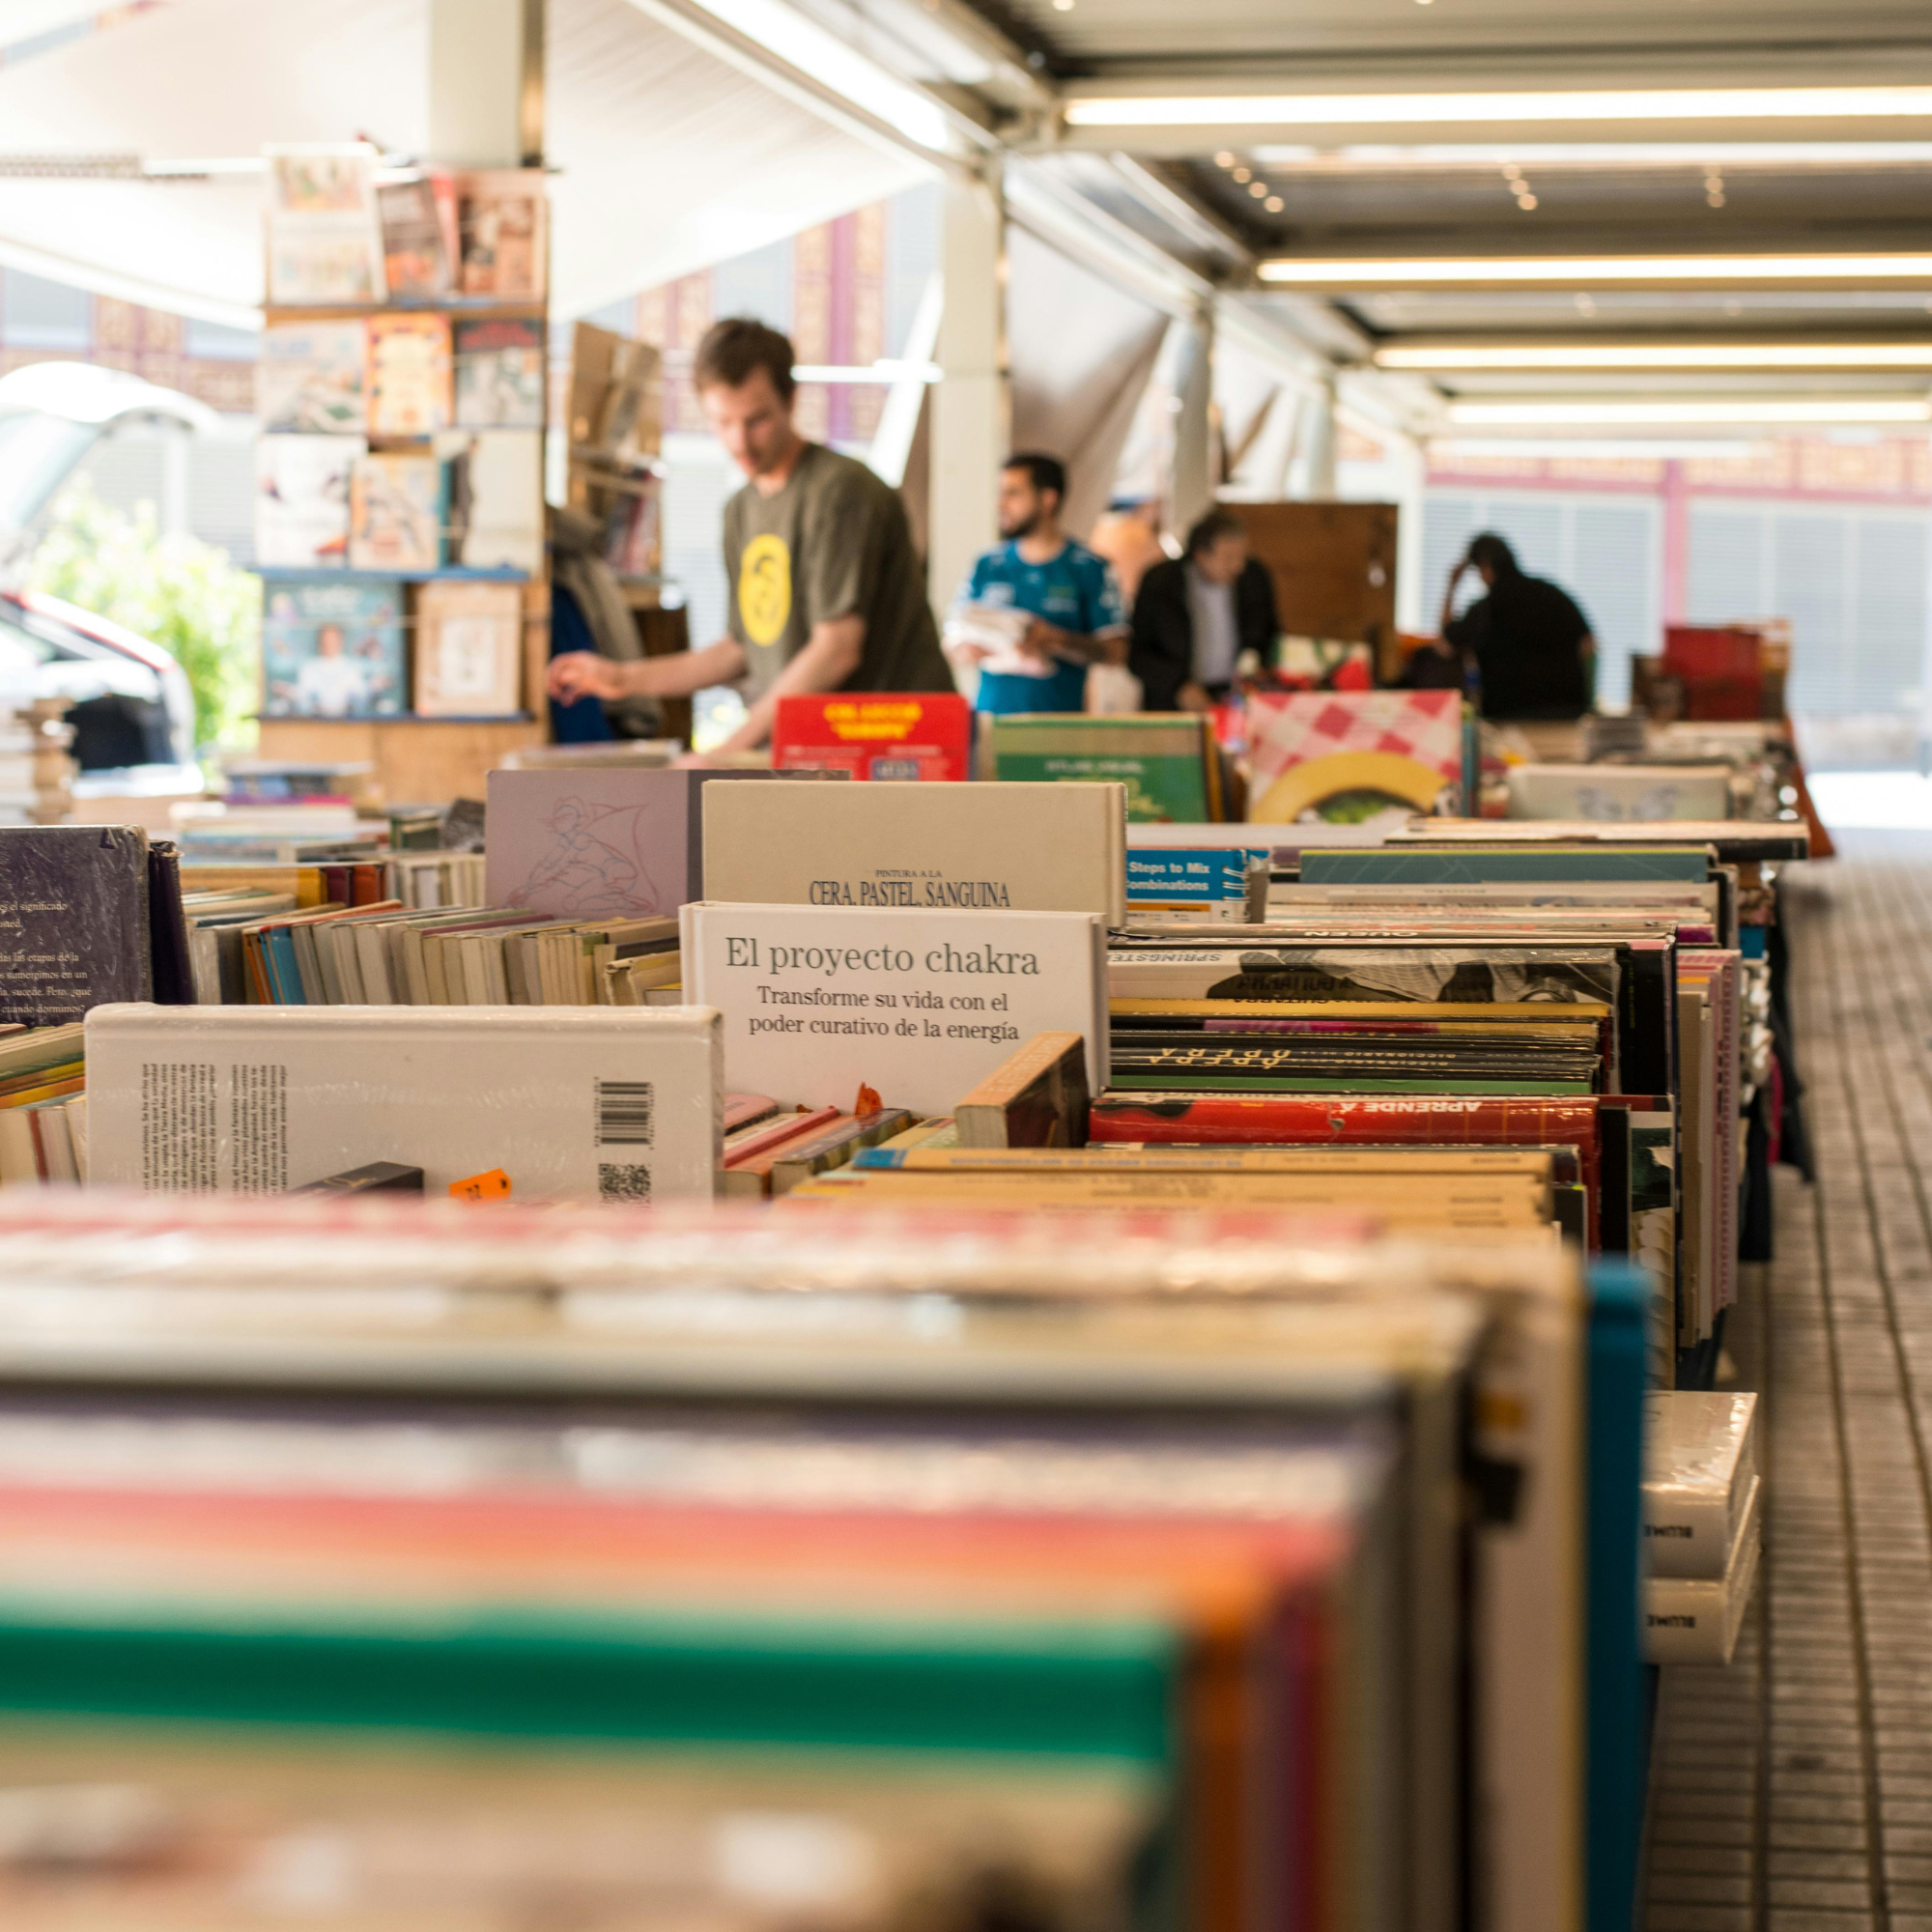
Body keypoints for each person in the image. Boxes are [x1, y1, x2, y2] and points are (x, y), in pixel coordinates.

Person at [547, 317, 952, 755]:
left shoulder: (839, 491)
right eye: (723, 422)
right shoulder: (741, 509)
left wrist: (724, 754)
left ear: (791, 401)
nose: (740, 442)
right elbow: (741, 649)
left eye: (756, 420)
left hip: (901, 748)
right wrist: (622, 678)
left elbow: (836, 651)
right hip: (820, 753)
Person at [946, 453, 1126, 715]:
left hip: (1059, 727)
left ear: (1047, 499)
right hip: (989, 724)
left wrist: (1056, 640)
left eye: (1013, 494)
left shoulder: (1089, 567)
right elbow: (951, 641)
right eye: (1001, 493)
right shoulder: (986, 564)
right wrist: (966, 650)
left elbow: (1117, 652)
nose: (1001, 504)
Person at [1127, 507, 1279, 712]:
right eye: (1227, 557)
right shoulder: (1160, 583)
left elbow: (1270, 634)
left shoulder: (1254, 577)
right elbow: (1137, 653)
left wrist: (1259, 669)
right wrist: (1178, 686)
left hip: (1237, 696)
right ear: (1200, 555)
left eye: (1242, 556)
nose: (1238, 567)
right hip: (1175, 700)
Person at [1436, 532, 1595, 721]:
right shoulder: (1551, 594)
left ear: (1485, 567)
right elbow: (1588, 644)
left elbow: (1445, 647)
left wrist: (1451, 587)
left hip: (1510, 717)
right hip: (1568, 714)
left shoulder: (1486, 609)